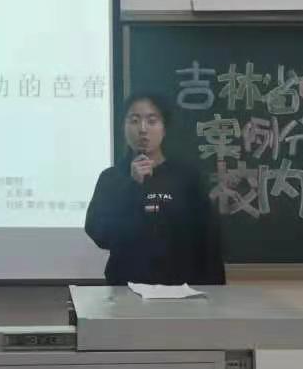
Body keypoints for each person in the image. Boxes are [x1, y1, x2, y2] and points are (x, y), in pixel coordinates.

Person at [84, 92, 226, 285]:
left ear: (164, 128)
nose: (143, 129)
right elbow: (100, 234)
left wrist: (215, 291)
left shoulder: (186, 177)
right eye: (134, 121)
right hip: (125, 288)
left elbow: (208, 237)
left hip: (181, 290)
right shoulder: (111, 178)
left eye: (152, 121)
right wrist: (132, 187)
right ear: (123, 127)